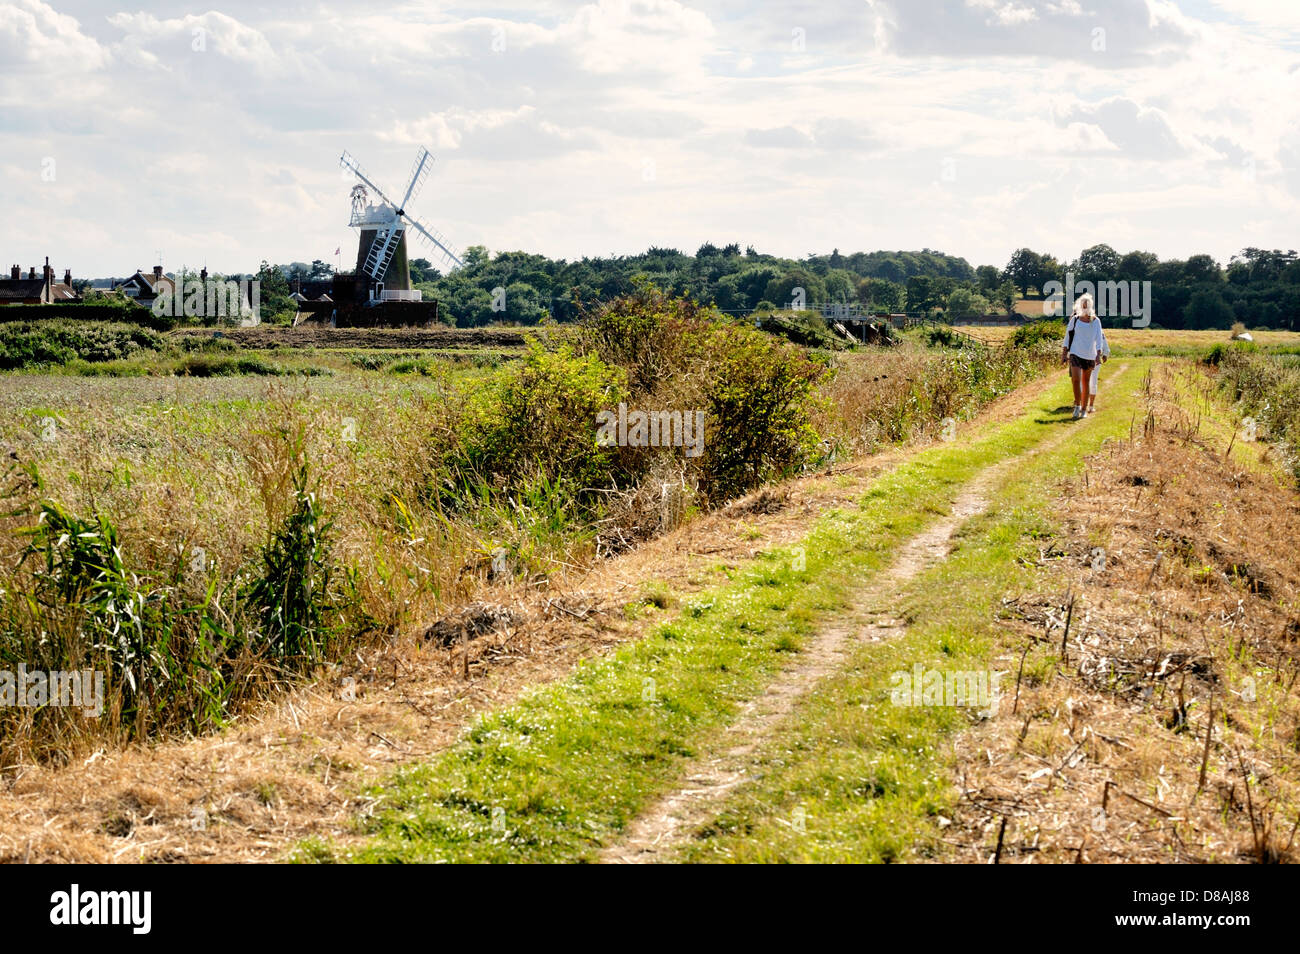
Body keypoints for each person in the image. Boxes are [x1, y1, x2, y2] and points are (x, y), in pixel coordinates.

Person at [1061, 293, 1106, 419]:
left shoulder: (1096, 321)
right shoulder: (1075, 320)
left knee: (1086, 382)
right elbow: (1067, 337)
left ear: (1091, 306)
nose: (1085, 307)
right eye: (1083, 305)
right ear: (1080, 306)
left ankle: (1084, 410)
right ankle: (1077, 406)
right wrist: (1064, 354)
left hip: (1090, 355)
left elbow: (1099, 339)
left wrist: (1098, 354)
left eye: (1087, 305)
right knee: (1075, 380)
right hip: (1075, 353)